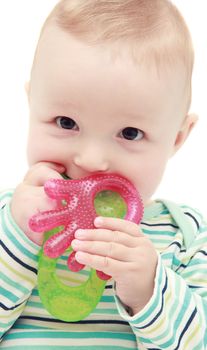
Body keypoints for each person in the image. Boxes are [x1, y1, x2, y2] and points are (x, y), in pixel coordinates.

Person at [0, 0, 206, 348]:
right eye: (66, 123)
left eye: (129, 133)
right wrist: (16, 240)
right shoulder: (11, 217)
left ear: (176, 138)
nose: (93, 160)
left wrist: (150, 289)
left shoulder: (185, 235)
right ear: (31, 104)